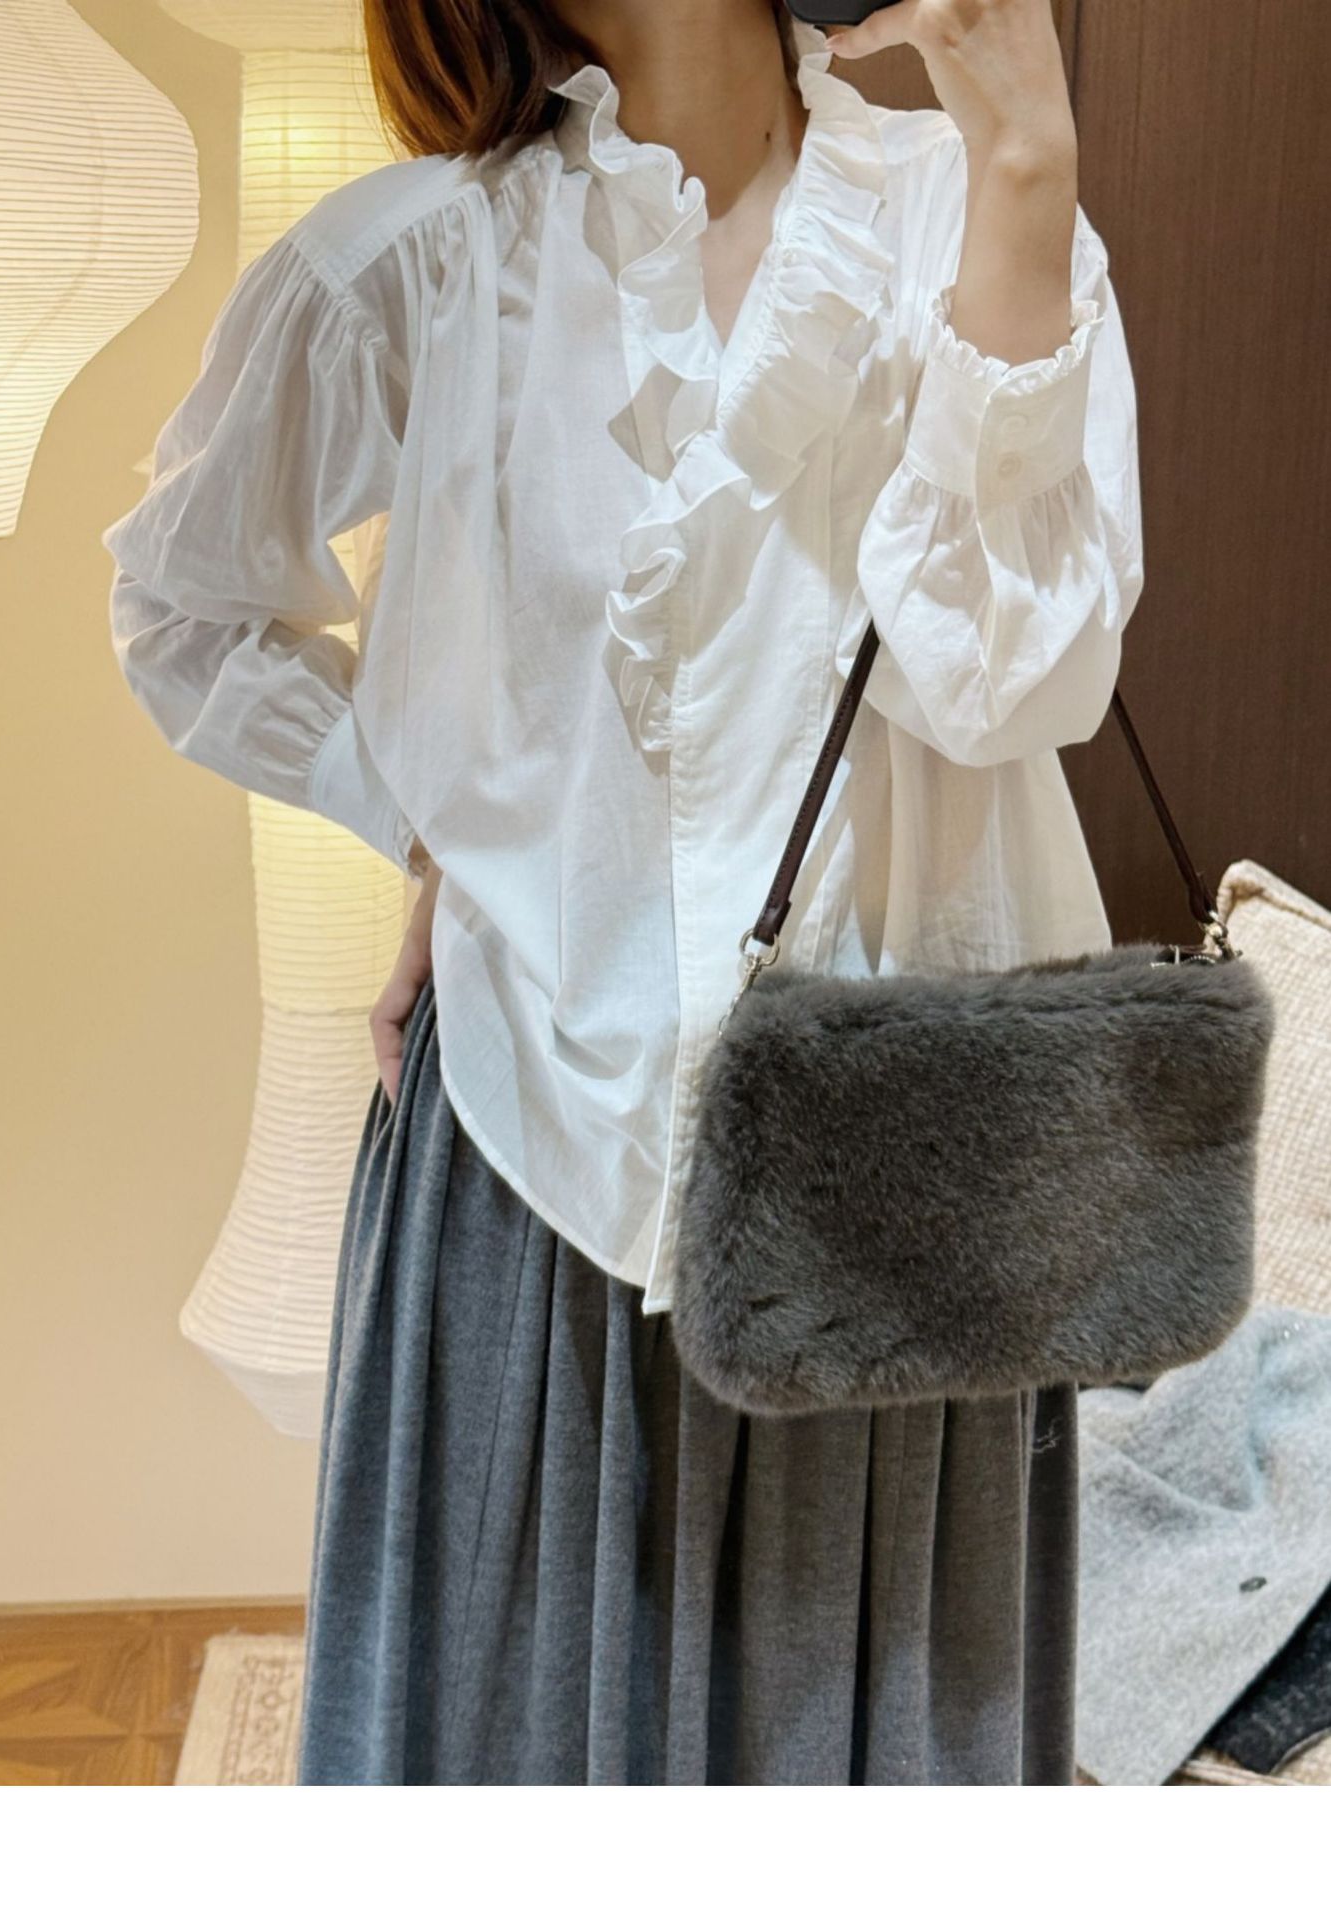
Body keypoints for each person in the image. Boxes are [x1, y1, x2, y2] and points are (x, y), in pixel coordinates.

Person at [101, 0, 1143, 1785]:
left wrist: (1030, 163)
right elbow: (180, 607)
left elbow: (1018, 683)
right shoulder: (424, 264)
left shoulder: (960, 210)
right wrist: (434, 820)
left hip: (898, 1185)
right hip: (537, 1168)